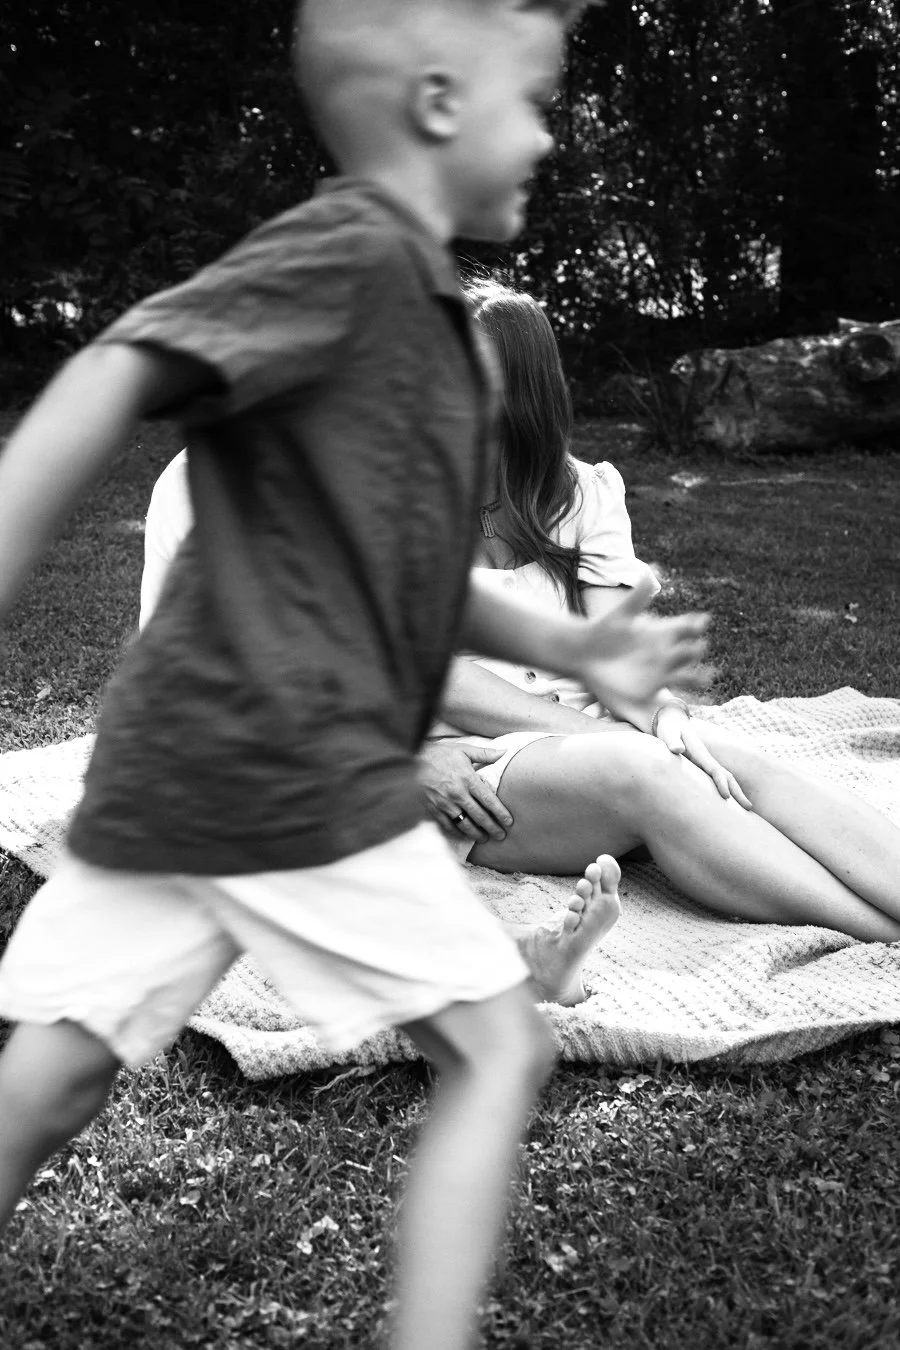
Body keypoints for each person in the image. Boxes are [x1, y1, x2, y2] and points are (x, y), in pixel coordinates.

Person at [0, 5, 712, 1350]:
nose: (552, 134)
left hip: (176, 763)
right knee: (502, 1047)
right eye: (536, 99)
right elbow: (122, 359)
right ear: (439, 100)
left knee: (56, 1065)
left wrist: (570, 647)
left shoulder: (427, 320)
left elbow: (410, 586)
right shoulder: (355, 254)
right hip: (293, 762)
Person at [418, 279, 900, 948]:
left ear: (520, 392)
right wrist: (630, 741)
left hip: (582, 731)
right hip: (468, 763)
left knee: (733, 763)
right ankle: (881, 936)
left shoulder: (582, 491)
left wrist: (664, 719)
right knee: (645, 771)